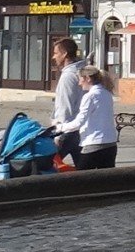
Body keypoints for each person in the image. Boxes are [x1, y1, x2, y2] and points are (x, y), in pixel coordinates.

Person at [54, 65, 120, 170]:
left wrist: (59, 127)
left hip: (93, 144)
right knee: (107, 181)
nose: (79, 83)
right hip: (110, 143)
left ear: (88, 79)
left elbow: (79, 122)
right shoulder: (107, 94)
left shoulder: (90, 96)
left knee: (82, 180)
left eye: (80, 79)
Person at [47, 37, 84, 167]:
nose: (53, 57)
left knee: (48, 165)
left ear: (65, 54)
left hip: (67, 131)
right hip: (80, 129)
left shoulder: (68, 76)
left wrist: (58, 134)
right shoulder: (82, 71)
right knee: (83, 169)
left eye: (56, 53)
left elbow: (65, 106)